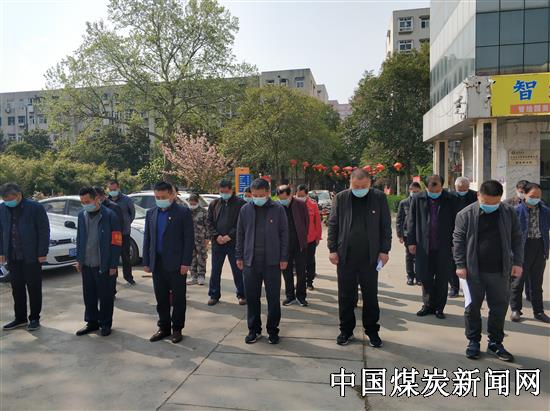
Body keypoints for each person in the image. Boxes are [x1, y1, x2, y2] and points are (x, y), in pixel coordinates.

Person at [453, 180, 523, 361]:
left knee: (499, 308)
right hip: (473, 271)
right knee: (472, 308)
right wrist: (460, 265)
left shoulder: (508, 212)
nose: (491, 206)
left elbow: (517, 237)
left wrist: (518, 262)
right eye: (486, 203)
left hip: (500, 271)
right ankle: (473, 341)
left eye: (495, 203)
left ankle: (495, 343)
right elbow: (458, 241)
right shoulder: (465, 214)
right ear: (478, 195)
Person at [327, 168, 392, 347]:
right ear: (350, 183)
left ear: (370, 183)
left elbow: (385, 226)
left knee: (370, 296)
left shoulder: (378, 198)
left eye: (364, 186)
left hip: (370, 257)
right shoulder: (341, 198)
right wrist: (332, 249)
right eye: (356, 186)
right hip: (345, 256)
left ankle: (372, 331)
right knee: (345, 296)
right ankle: (346, 331)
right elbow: (333, 224)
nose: (360, 189)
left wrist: (384, 250)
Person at [236, 178, 288, 344]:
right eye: (255, 195)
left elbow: (284, 234)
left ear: (268, 193)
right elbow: (240, 234)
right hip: (250, 261)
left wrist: (284, 257)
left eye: (261, 195)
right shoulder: (245, 209)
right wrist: (239, 256)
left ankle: (273, 330)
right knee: (252, 298)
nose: (257, 198)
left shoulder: (278, 209)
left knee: (273, 298)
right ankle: (254, 330)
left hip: (272, 262)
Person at [143, 182, 194, 344]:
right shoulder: (151, 213)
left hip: (177, 263)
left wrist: (186, 262)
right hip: (157, 263)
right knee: (161, 298)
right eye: (157, 197)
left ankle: (177, 328)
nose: (160, 200)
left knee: (178, 298)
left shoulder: (183, 212)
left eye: (163, 197)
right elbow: (147, 239)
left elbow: (189, 239)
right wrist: (147, 261)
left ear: (172, 195)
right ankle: (163, 327)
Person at [0, 183, 50, 331]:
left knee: (34, 288)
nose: (7, 202)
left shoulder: (35, 208)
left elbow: (44, 230)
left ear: (19, 195)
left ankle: (34, 318)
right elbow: (1, 231)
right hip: (13, 255)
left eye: (10, 199)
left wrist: (42, 252)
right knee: (17, 288)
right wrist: (2, 252)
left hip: (32, 255)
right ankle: (20, 318)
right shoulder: (2, 209)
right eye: (5, 199)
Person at [407, 175, 458, 319]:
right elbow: (411, 221)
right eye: (431, 189)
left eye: (437, 189)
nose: (434, 192)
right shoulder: (418, 199)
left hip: (444, 246)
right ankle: (427, 305)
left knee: (442, 278)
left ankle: (439, 308)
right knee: (425, 277)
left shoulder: (451, 199)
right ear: (426, 186)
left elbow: (457, 222)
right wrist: (411, 242)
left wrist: (455, 243)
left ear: (442, 186)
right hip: (424, 245)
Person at [75, 187, 122, 337]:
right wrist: (79, 260)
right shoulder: (81, 215)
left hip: (104, 264)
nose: (85, 204)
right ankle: (92, 322)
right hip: (87, 264)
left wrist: (113, 264)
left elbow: (116, 241)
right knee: (89, 296)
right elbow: (80, 239)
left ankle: (106, 324)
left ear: (97, 199)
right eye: (82, 202)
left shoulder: (110, 216)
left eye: (87, 201)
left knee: (106, 296)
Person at [510, 183, 550, 323]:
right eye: (532, 196)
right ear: (525, 195)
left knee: (536, 283)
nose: (535, 199)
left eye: (538, 196)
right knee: (517, 282)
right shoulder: (515, 211)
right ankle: (516, 310)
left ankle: (538, 312)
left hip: (539, 247)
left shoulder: (545, 211)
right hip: (522, 248)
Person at [207, 179, 246, 306]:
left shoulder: (240, 204)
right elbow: (209, 222)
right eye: (221, 191)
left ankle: (242, 294)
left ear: (231, 190)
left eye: (226, 191)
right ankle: (214, 295)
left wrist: (230, 236)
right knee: (215, 270)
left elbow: (242, 223)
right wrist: (216, 235)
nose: (223, 194)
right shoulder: (214, 204)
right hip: (217, 242)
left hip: (234, 243)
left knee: (237, 270)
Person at [277, 185, 309, 306]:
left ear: (290, 195)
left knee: (301, 272)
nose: (283, 200)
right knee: (286, 271)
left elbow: (306, 222)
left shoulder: (300, 205)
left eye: (285, 198)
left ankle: (301, 296)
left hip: (299, 244)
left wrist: (303, 237)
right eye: (280, 198)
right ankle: (290, 296)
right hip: (284, 245)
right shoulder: (277, 206)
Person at [448, 176, 478, 297]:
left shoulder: (475, 196)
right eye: (459, 189)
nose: (462, 191)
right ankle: (454, 287)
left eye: (464, 189)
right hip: (453, 232)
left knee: (471, 262)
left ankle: (470, 289)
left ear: (468, 187)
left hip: (471, 232)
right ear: (455, 187)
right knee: (453, 262)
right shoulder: (449, 197)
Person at [108, 180, 136, 285]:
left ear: (118, 188)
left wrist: (127, 223)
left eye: (114, 189)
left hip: (124, 233)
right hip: (112, 234)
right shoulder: (107, 200)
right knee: (113, 257)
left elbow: (132, 213)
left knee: (126, 256)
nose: (112, 191)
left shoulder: (126, 200)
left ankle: (128, 277)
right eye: (110, 189)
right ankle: (113, 277)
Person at [295, 184, 322, 291]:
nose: (300, 197)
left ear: (307, 194)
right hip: (297, 239)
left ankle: (309, 282)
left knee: (310, 261)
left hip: (310, 238)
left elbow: (317, 222)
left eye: (302, 195)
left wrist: (318, 237)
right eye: (298, 195)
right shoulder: (293, 204)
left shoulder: (312, 205)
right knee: (298, 262)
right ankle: (299, 282)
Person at [396, 182, 422, 286]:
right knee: (409, 256)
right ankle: (410, 276)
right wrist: (400, 235)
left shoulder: (423, 202)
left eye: (417, 191)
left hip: (420, 234)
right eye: (413, 191)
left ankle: (419, 277)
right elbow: (399, 219)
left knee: (420, 257)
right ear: (409, 191)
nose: (414, 193)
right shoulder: (404, 203)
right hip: (408, 234)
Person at [187, 193, 208, 286]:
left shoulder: (203, 212)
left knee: (202, 258)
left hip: (201, 239)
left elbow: (207, 225)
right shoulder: (186, 211)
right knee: (191, 258)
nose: (192, 204)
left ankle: (201, 276)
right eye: (190, 202)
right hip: (189, 239)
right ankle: (193, 276)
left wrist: (207, 238)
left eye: (194, 202)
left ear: (197, 202)